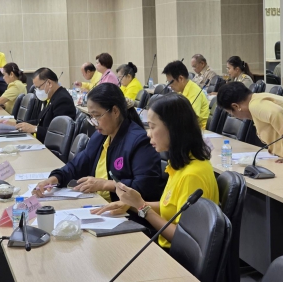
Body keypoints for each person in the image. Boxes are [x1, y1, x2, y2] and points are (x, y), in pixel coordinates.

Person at [92, 93, 219, 250]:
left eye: (152, 127)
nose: (148, 133)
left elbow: (185, 238)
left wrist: (142, 208)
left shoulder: (192, 174)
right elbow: (171, 206)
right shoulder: (180, 164)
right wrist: (130, 204)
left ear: (173, 129)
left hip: (176, 257)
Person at [33, 83, 164, 203]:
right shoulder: (100, 136)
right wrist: (54, 179)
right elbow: (76, 165)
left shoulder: (139, 141)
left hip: (128, 213)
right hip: (99, 203)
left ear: (115, 111)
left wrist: (107, 184)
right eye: (91, 117)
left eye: (97, 116)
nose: (94, 123)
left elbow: (145, 187)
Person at [15, 68, 76, 143]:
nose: (37, 91)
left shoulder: (63, 100)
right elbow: (41, 121)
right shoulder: (53, 96)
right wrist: (21, 124)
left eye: (38, 87)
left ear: (49, 83)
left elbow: (59, 132)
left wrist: (35, 129)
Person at [162, 60, 209, 129]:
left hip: (197, 131)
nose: (170, 85)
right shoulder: (180, 90)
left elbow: (189, 118)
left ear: (181, 78)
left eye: (171, 82)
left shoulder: (194, 91)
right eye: (168, 82)